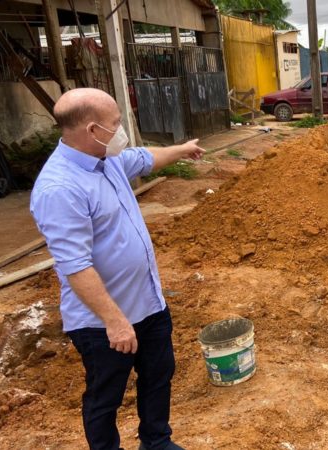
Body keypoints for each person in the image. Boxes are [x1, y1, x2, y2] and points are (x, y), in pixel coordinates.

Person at [30, 88, 204, 450]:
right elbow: (75, 266)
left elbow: (144, 159)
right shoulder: (60, 187)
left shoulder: (106, 159)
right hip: (102, 322)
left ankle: (156, 441)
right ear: (93, 130)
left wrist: (182, 150)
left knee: (158, 375)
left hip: (148, 303)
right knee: (105, 395)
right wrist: (114, 320)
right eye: (116, 124)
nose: (121, 130)